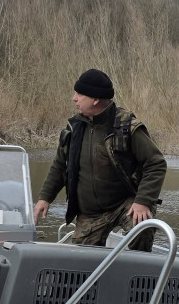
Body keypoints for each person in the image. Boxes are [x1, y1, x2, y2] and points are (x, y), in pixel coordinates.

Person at [34, 69, 166, 252]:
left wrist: (143, 201)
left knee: (142, 227)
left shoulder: (127, 126)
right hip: (91, 214)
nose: (74, 98)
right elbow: (59, 165)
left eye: (79, 94)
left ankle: (138, 277)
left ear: (95, 99)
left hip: (125, 203)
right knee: (78, 267)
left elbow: (156, 163)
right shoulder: (74, 128)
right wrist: (45, 198)